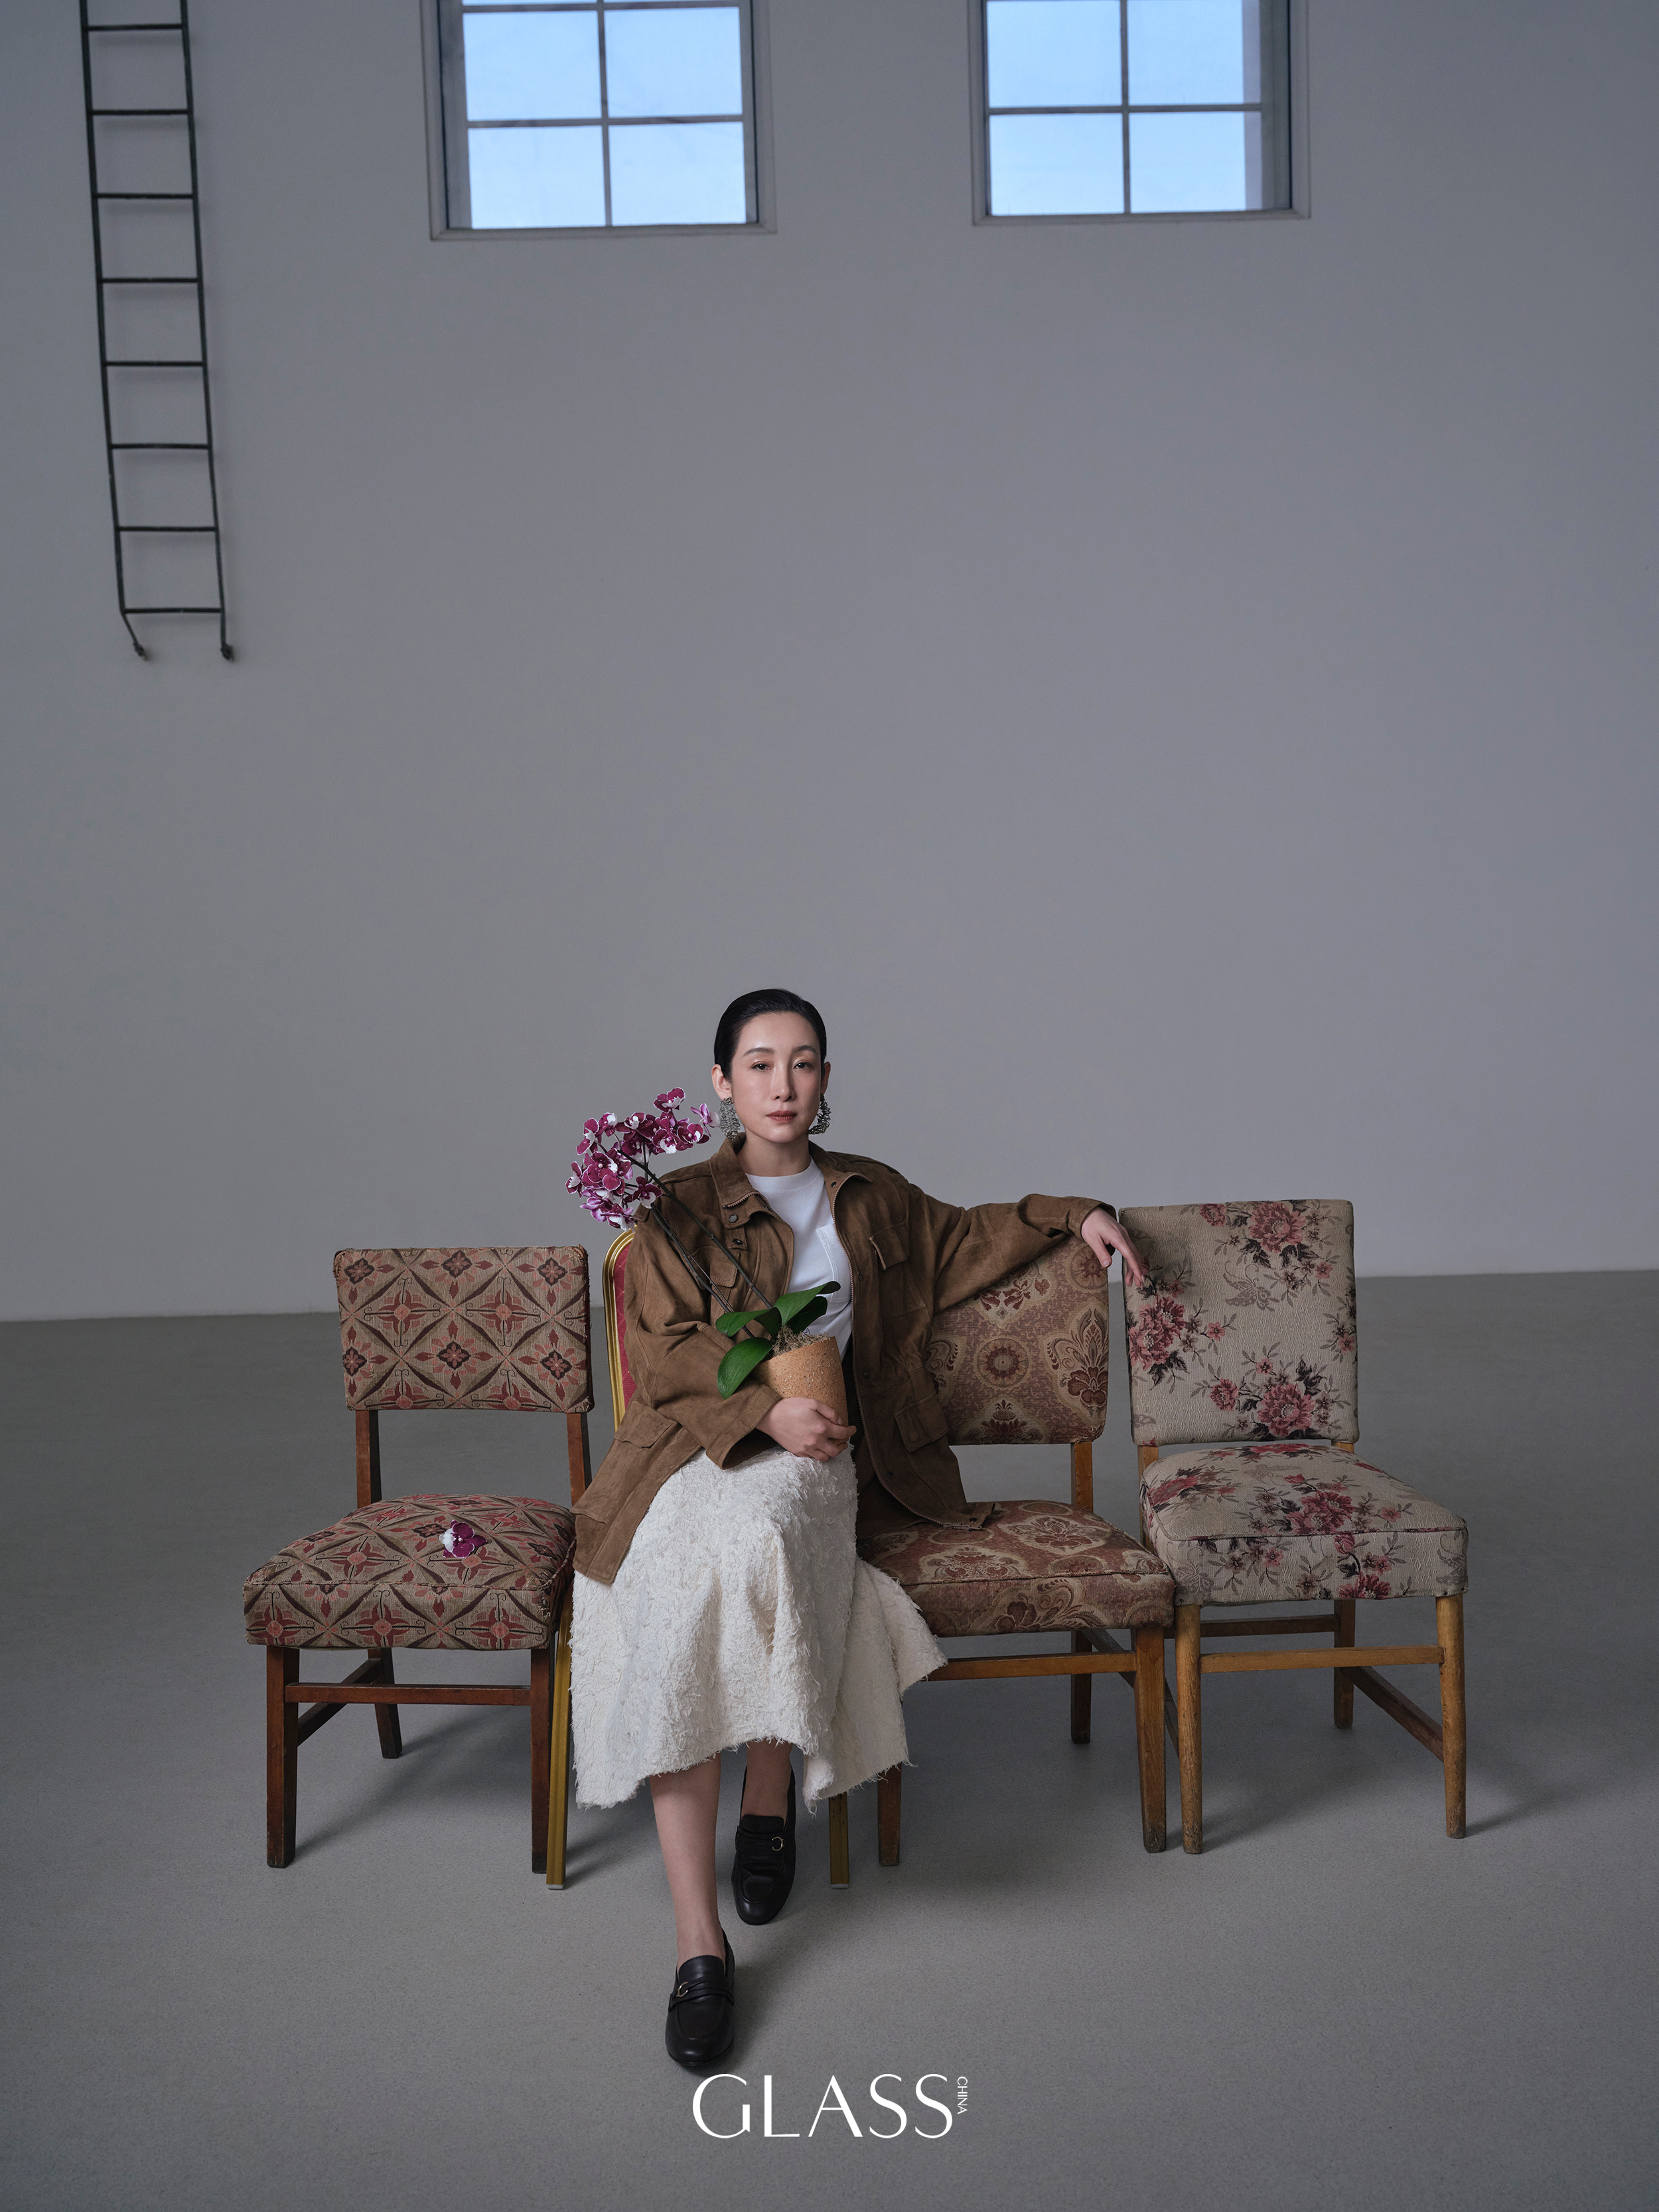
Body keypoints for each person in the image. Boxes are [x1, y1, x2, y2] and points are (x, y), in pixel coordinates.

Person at [569, 990, 1145, 2069]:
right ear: (722, 1082)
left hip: (824, 1455)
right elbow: (667, 1350)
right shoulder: (676, 1205)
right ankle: (698, 1942)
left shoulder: (873, 1197)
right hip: (689, 1454)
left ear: (827, 1078)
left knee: (769, 1548)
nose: (783, 1083)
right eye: (759, 1063)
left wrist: (1078, 1213)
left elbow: (975, 1234)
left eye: (804, 1062)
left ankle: (769, 1792)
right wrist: (762, 1412)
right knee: (680, 1588)